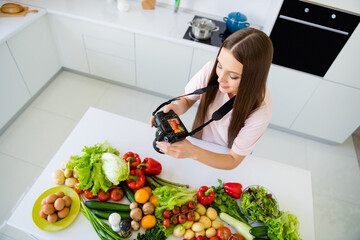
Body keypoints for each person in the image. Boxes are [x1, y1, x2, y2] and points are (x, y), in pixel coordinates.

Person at [151, 27, 273, 170]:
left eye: (233, 76)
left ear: (253, 78)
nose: (221, 78)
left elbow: (233, 160)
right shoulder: (211, 70)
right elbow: (187, 100)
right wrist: (177, 107)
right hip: (198, 144)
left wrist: (192, 152)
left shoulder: (261, 110)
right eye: (220, 66)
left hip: (224, 156)